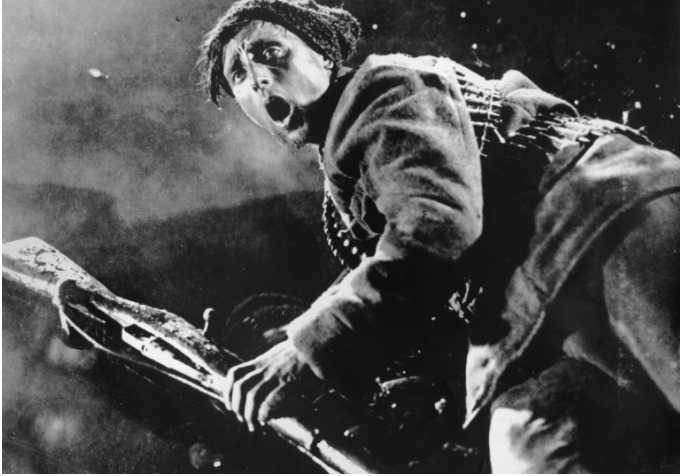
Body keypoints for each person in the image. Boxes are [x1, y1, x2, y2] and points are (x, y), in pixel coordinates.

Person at [197, 0, 680, 472]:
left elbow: (433, 228)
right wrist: (308, 338)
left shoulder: (385, 89)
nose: (258, 77)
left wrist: (305, 348)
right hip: (542, 301)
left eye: (269, 51)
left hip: (608, 224)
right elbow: (402, 255)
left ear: (322, 54)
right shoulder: (350, 158)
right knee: (531, 441)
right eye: (238, 74)